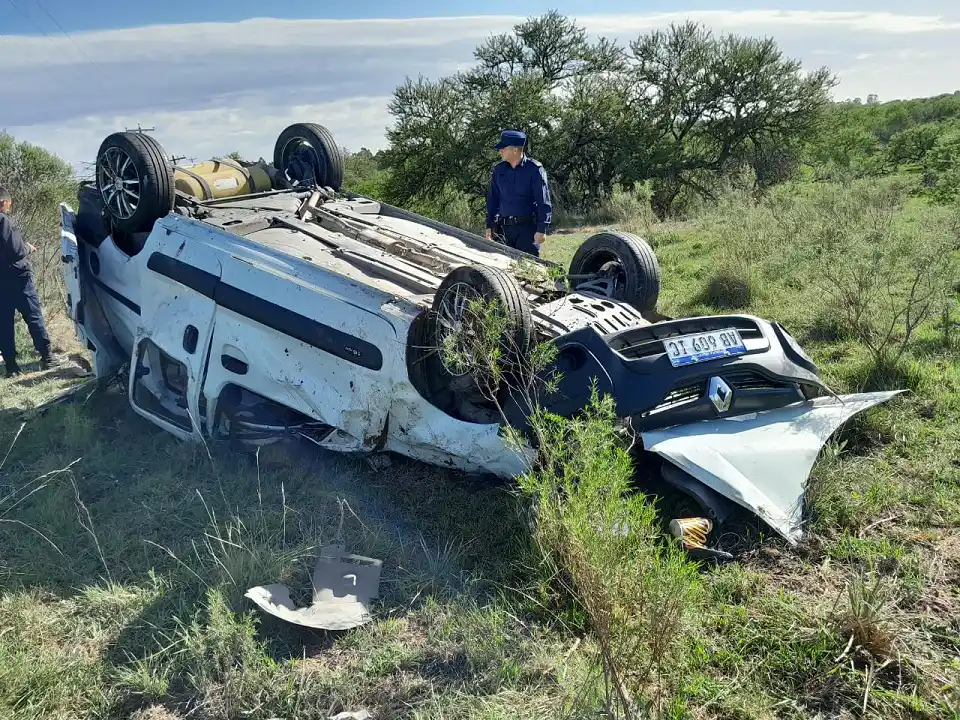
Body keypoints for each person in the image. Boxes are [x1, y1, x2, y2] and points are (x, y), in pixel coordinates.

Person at [0, 185, 68, 378]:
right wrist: (27, 247)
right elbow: (15, 251)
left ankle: (12, 367)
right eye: (9, 203)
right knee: (33, 314)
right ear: (4, 202)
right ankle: (47, 357)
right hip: (18, 278)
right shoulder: (4, 221)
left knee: (3, 323)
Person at [485, 129, 552, 257]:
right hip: (503, 229)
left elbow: (543, 201)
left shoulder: (535, 170)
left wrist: (541, 229)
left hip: (527, 230)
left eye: (503, 148)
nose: (500, 151)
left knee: (528, 268)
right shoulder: (499, 170)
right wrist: (489, 225)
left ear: (514, 150)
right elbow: (493, 199)